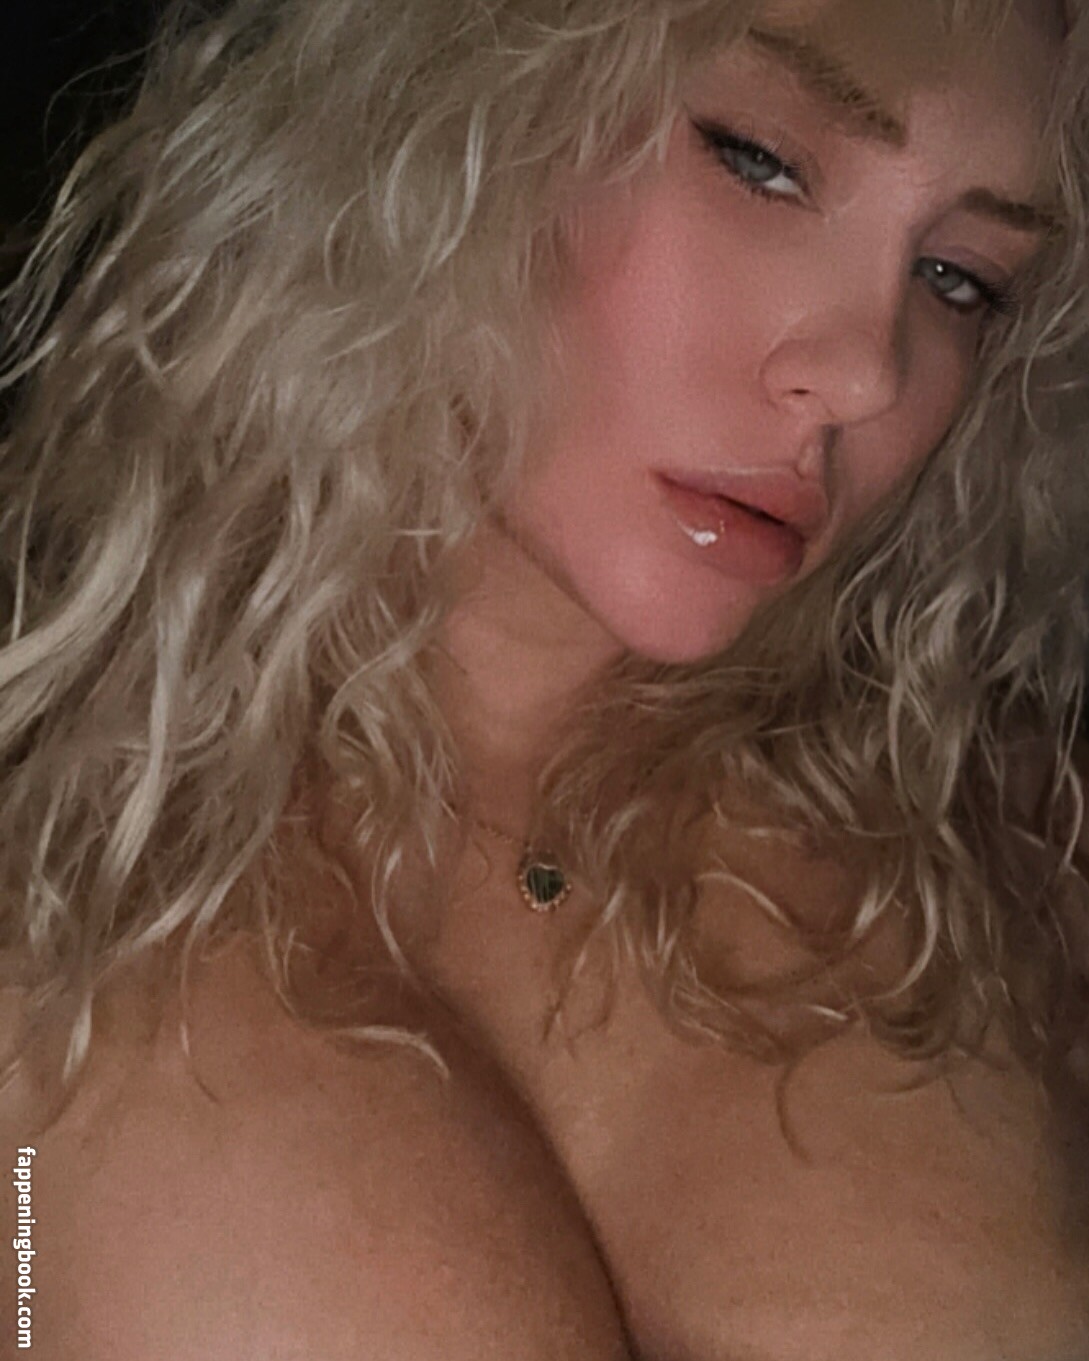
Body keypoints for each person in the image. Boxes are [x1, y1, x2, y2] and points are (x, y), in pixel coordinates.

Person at [0, 0, 1087, 1356]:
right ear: (447, 110)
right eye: (759, 162)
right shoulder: (45, 893)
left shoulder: (1018, 865)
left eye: (959, 280)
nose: (867, 372)